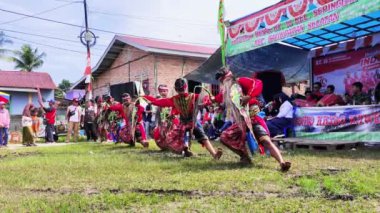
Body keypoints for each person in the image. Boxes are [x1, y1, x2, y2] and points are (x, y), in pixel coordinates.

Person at [215, 68, 291, 171]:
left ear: (228, 77)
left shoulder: (240, 81)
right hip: (241, 121)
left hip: (253, 117)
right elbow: (219, 98)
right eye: (221, 81)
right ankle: (244, 157)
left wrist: (249, 96)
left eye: (223, 80)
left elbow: (257, 83)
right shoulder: (226, 91)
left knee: (266, 141)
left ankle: (282, 163)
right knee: (224, 137)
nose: (223, 82)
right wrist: (213, 101)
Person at [145, 78, 223, 159]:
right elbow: (207, 100)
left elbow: (161, 102)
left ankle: (187, 149)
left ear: (175, 89)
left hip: (182, 124)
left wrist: (150, 101)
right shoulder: (193, 96)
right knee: (203, 138)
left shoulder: (174, 99)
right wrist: (213, 99)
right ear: (185, 87)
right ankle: (213, 154)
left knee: (185, 136)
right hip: (193, 123)